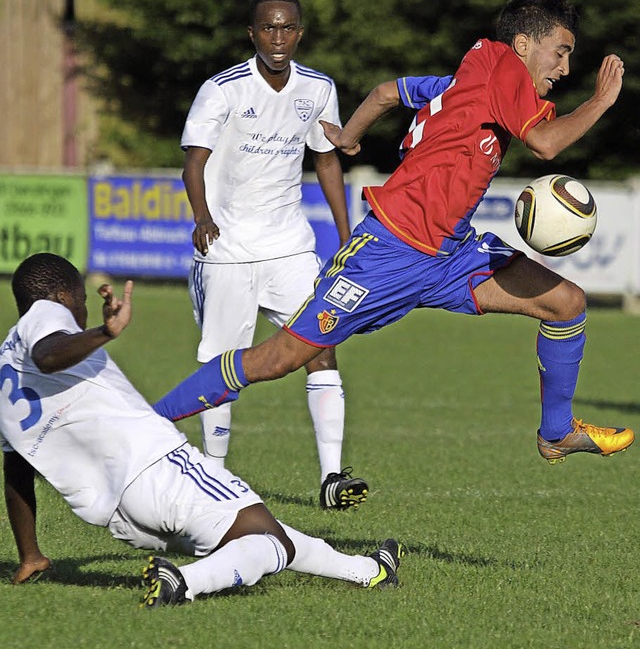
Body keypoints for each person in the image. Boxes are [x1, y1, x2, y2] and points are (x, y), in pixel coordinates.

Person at [153, 0, 634, 465]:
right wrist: (600, 101)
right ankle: (148, 423)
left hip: (450, 255)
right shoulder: (504, 66)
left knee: (565, 302)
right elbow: (546, 145)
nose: (565, 68)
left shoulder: (476, 79)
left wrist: (348, 135)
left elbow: (387, 93)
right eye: (561, 52)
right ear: (524, 44)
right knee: (276, 360)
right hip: (389, 252)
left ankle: (556, 432)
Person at [0, 253, 404, 607]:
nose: (81, 312)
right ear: (63, 296)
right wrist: (104, 332)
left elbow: (16, 469)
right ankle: (185, 582)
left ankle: (369, 571)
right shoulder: (46, 313)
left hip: (117, 517)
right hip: (157, 469)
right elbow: (48, 354)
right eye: (81, 302)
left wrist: (31, 554)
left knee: (258, 531)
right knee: (270, 543)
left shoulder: (6, 376)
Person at [180, 0, 367, 509]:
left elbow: (326, 160)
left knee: (320, 345)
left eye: (287, 28)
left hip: (290, 246)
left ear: (300, 33)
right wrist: (202, 217)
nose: (278, 38)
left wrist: (345, 230)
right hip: (227, 248)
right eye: (268, 28)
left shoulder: (318, 88)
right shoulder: (222, 89)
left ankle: (332, 477)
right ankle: (213, 479)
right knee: (221, 362)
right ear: (252, 34)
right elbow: (193, 161)